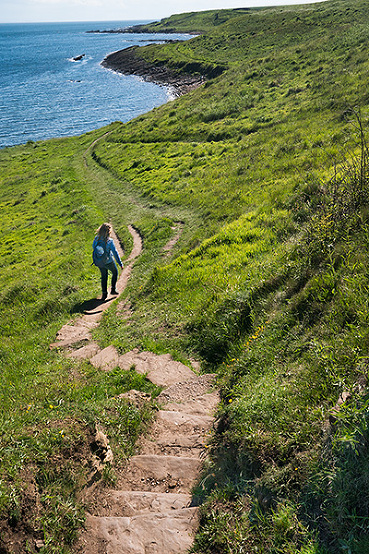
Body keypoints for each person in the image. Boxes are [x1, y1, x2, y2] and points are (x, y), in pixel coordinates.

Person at [93, 223, 123, 301]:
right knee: (115, 272)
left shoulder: (96, 238)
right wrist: (120, 263)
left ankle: (104, 294)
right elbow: (115, 252)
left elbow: (94, 247)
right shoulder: (109, 241)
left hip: (99, 261)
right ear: (109, 231)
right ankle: (113, 289)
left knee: (104, 276)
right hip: (108, 261)